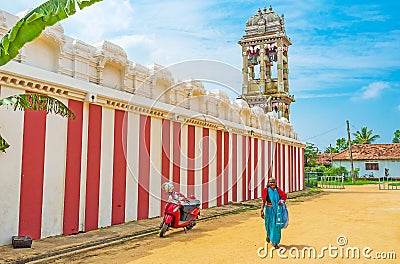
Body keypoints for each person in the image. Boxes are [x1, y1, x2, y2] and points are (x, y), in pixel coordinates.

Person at [260, 177, 287, 249]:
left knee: (276, 226)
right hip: (268, 210)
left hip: (276, 211)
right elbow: (263, 201)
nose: (272, 183)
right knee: (268, 225)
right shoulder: (266, 190)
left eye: (273, 182)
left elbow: (284, 196)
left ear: (276, 183)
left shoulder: (278, 190)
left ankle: (275, 242)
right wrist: (262, 210)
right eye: (270, 182)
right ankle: (268, 235)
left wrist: (281, 201)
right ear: (268, 183)